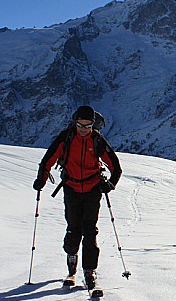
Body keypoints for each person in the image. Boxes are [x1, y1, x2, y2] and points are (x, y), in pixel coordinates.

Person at [32, 105, 122, 289]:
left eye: (87, 126)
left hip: (92, 190)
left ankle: (89, 270)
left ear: (93, 125)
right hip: (72, 188)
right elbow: (48, 159)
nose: (83, 129)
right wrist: (41, 179)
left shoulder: (97, 140)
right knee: (73, 230)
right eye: (80, 125)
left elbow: (115, 166)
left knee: (89, 231)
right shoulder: (67, 138)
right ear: (75, 122)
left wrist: (110, 184)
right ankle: (72, 261)